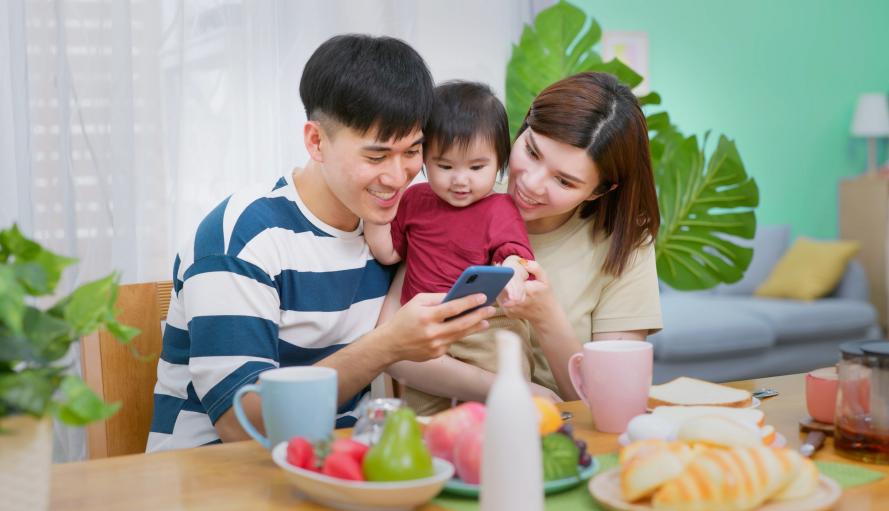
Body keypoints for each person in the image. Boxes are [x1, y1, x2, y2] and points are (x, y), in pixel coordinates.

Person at [147, 35, 496, 452]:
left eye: (412, 151)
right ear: (316, 142)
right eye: (376, 156)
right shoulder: (242, 237)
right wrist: (386, 345)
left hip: (335, 467)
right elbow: (242, 426)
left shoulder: (389, 229)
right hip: (215, 478)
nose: (398, 175)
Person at [388, 71, 663, 402]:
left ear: (599, 191)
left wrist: (544, 315)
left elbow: (613, 400)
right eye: (532, 152)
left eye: (564, 181)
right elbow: (392, 345)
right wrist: (515, 393)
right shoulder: (464, 194)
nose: (531, 184)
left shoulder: (624, 244)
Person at [364, 81, 536, 415]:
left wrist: (514, 273)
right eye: (445, 166)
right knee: (423, 417)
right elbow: (388, 252)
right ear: (424, 158)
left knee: (503, 408)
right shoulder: (413, 200)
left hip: (484, 326)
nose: (460, 180)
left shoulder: (500, 208)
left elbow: (515, 255)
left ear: (500, 162)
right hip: (426, 326)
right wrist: (372, 211)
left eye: (476, 167)